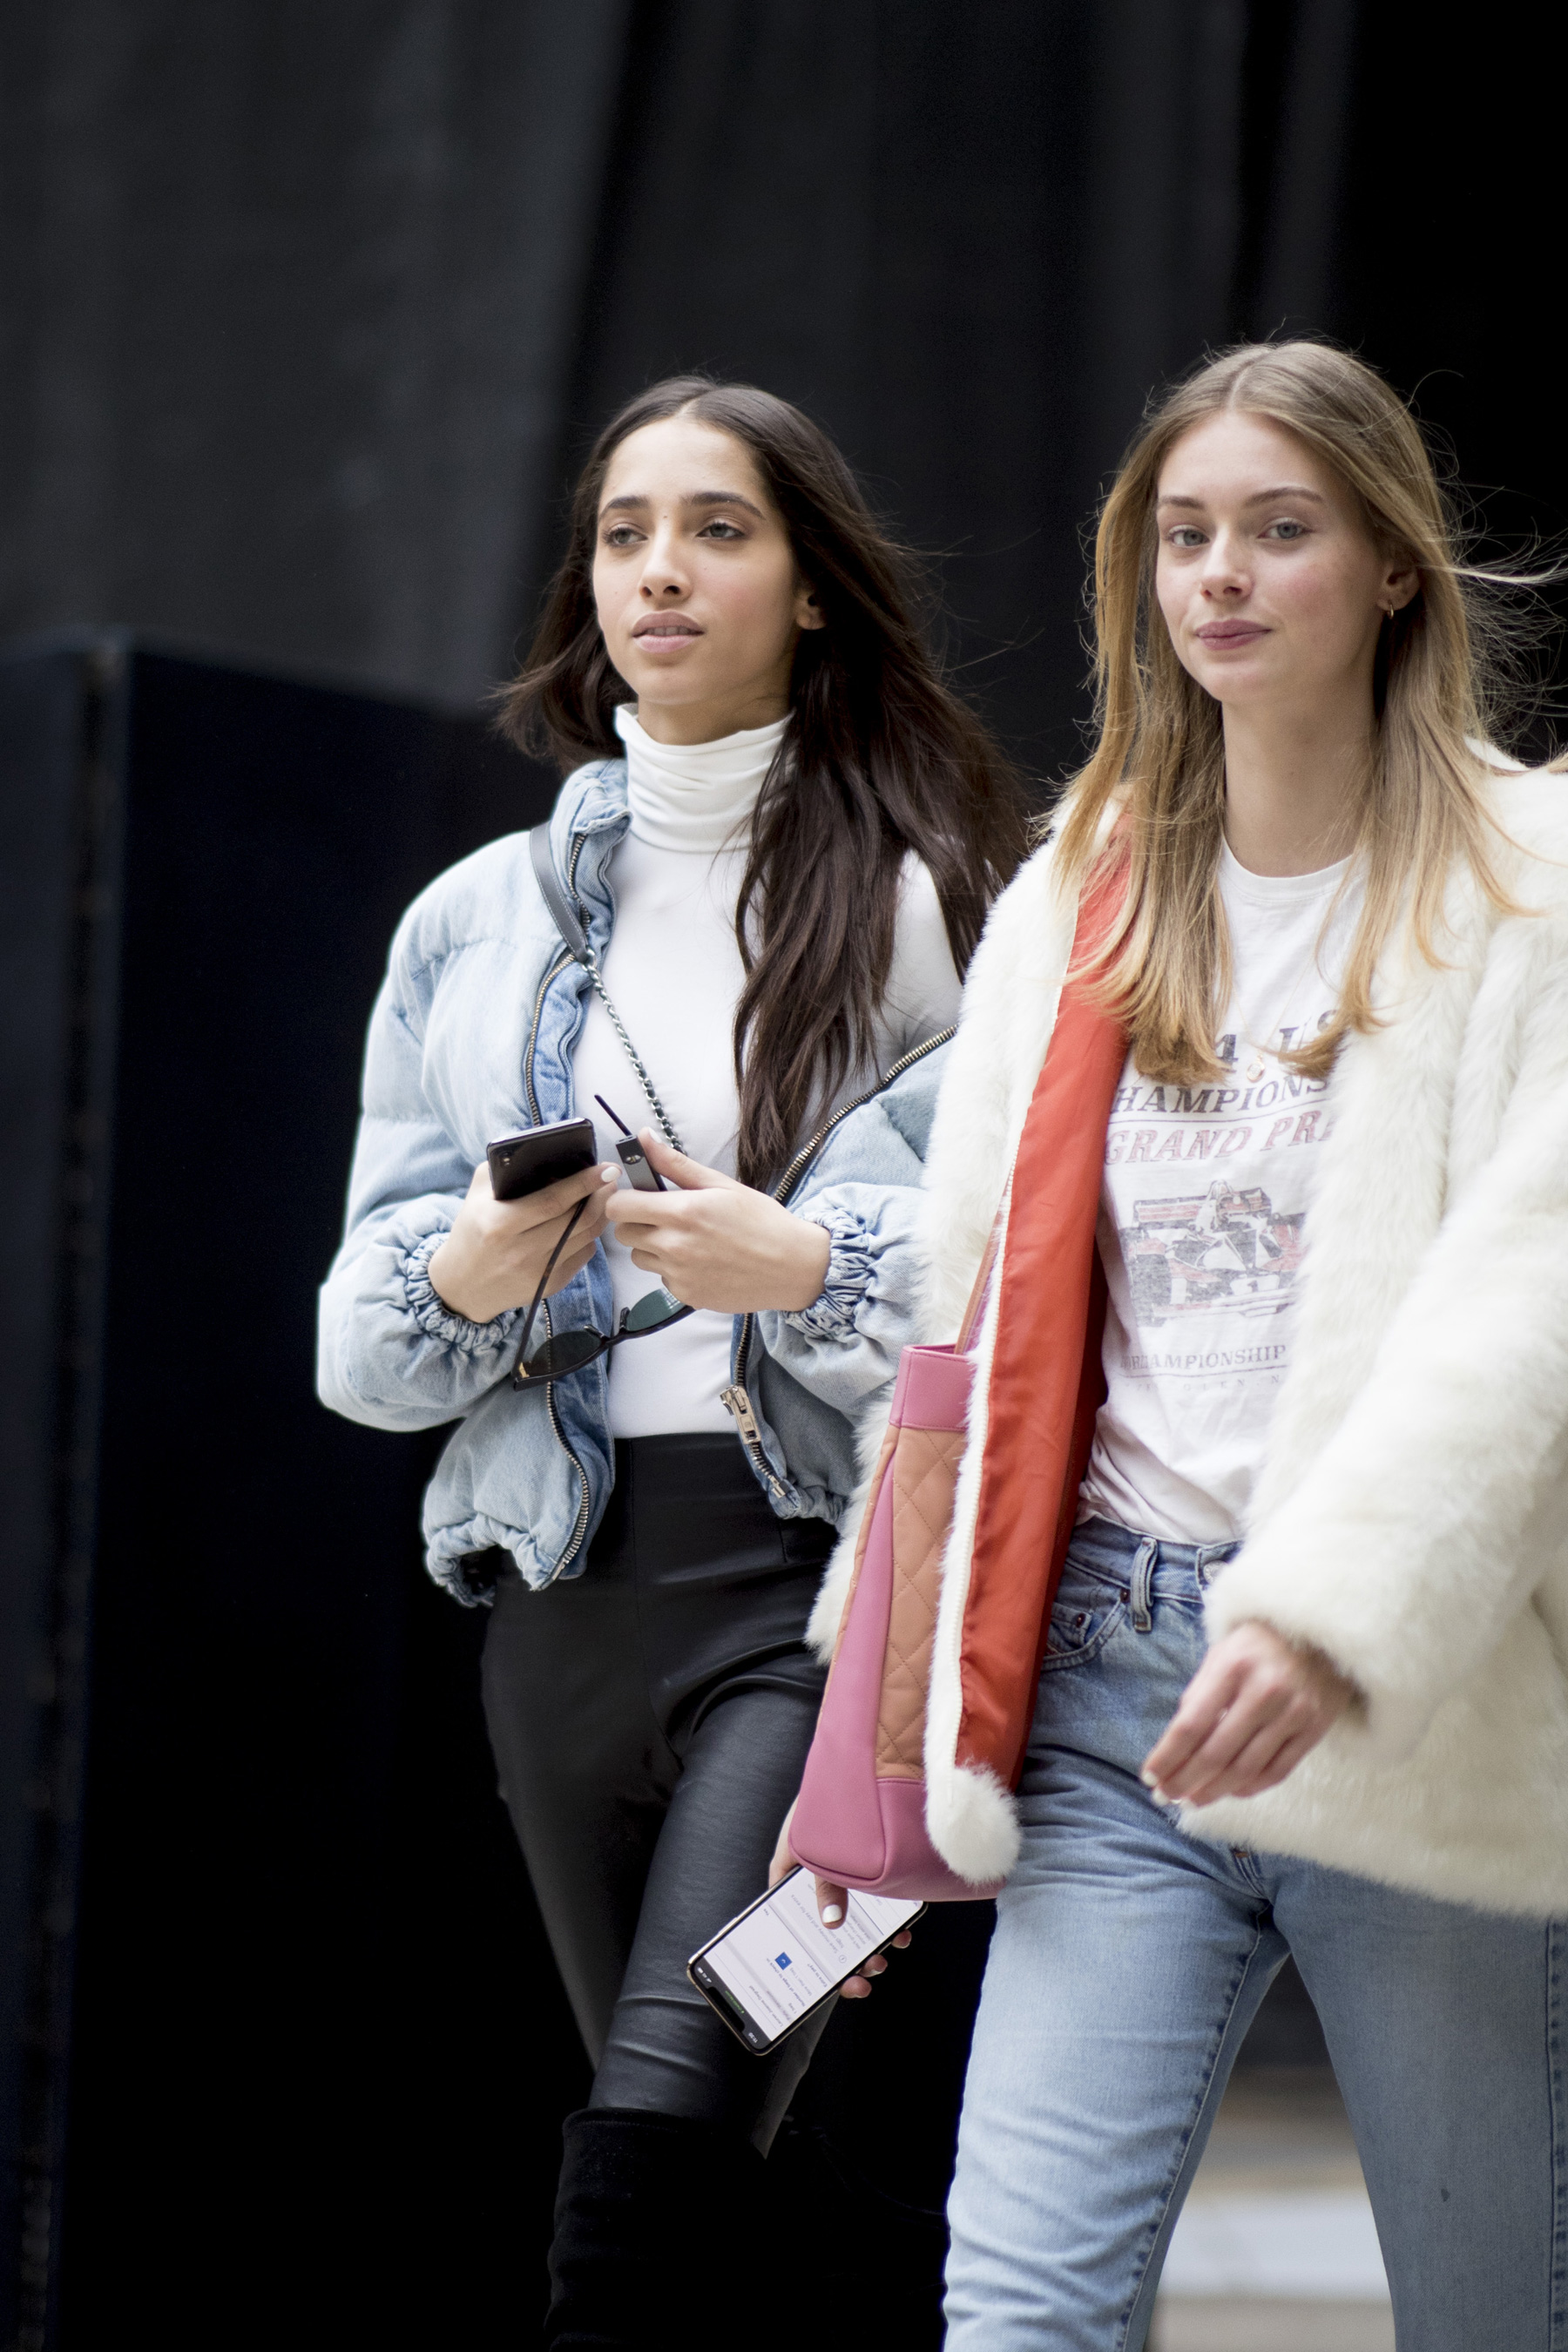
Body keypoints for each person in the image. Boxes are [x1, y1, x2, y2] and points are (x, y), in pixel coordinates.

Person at [805, 341, 1568, 2349]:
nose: (1221, 574)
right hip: (1099, 1710)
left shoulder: (1537, 881)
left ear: (1394, 566)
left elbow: (1532, 1302)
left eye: (1282, 530)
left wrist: (1329, 1609)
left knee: (1495, 2315)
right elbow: (974, 1333)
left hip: (1411, 1699)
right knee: (1018, 2315)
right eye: (1185, 533)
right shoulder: (1085, 886)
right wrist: (892, 1736)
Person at [316, 375, 1028, 2344]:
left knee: (656, 2127)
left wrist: (801, 1256)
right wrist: (469, 1264)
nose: (661, 570)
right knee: (756, 2158)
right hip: (562, 1611)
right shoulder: (471, 925)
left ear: (812, 586)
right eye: (627, 530)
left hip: (815, 1607)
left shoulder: (927, 905)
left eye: (720, 528)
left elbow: (1009, 1288)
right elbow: (358, 1358)